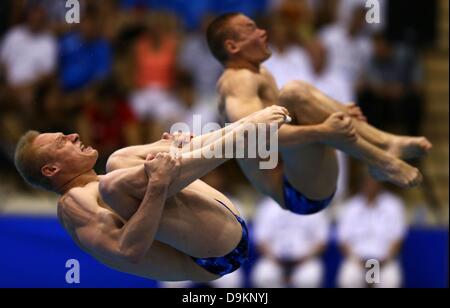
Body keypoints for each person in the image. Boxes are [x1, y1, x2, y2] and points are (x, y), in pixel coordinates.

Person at [14, 106, 289, 282]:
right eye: (63, 141)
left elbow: (183, 148)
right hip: (213, 256)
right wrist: (156, 187)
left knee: (119, 161)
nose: (74, 135)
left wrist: (175, 150)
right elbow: (129, 251)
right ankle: (239, 139)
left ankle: (241, 132)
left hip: (221, 222)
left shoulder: (111, 171)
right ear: (51, 169)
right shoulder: (74, 205)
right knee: (114, 184)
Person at [206, 13, 432, 216]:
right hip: (294, 190)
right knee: (294, 92)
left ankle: (387, 143)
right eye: (251, 29)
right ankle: (382, 160)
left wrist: (338, 110)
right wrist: (322, 131)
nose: (263, 32)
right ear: (233, 46)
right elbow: (258, 137)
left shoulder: (260, 72)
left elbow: (290, 114)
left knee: (295, 90)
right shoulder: (237, 81)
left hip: (300, 171)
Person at [337, 176, 406, 288]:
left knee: (390, 281)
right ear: (362, 184)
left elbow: (397, 239)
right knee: (348, 278)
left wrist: (381, 262)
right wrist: (359, 262)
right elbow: (343, 240)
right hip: (357, 262)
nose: (371, 186)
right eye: (367, 182)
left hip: (384, 262)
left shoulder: (394, 205)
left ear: (381, 184)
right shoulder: (350, 207)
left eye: (374, 182)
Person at [251, 197, 329, 288]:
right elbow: (260, 241)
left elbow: (321, 241)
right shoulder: (267, 206)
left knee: (308, 278)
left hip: (306, 261)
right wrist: (275, 259)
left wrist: (303, 259)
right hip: (273, 260)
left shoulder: (314, 205)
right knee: (264, 276)